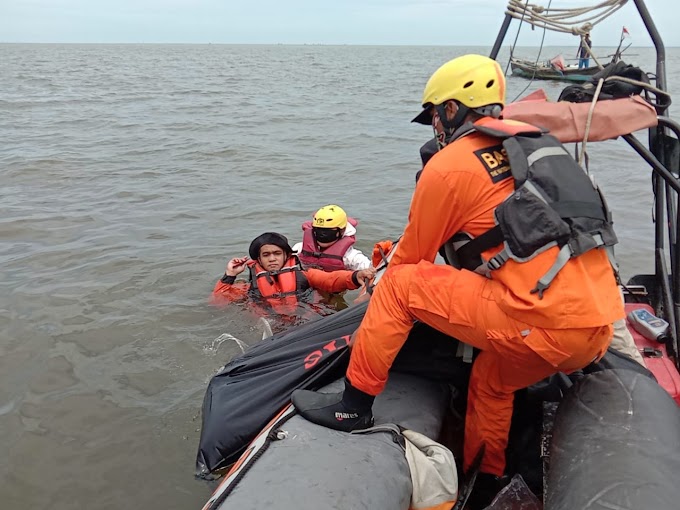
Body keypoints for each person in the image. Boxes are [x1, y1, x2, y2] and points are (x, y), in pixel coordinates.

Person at [291, 55, 623, 507]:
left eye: (433, 115)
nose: (434, 127)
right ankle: (485, 478)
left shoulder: (449, 165)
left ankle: (354, 405)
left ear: (451, 109)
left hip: (539, 324)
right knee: (491, 379)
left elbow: (410, 260)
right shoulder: (535, 147)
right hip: (597, 326)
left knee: (399, 286)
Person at [211, 232, 375, 317]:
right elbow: (218, 302)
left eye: (277, 253)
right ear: (258, 259)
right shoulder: (249, 288)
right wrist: (229, 275)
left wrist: (355, 276)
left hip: (306, 320)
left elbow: (331, 280)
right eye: (266, 255)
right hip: (272, 327)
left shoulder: (305, 275)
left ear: (286, 256)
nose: (272, 258)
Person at [292, 205, 371, 271]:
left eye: (328, 230)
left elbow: (369, 268)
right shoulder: (299, 248)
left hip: (335, 288)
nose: (322, 234)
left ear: (342, 230)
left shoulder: (350, 257)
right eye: (319, 229)